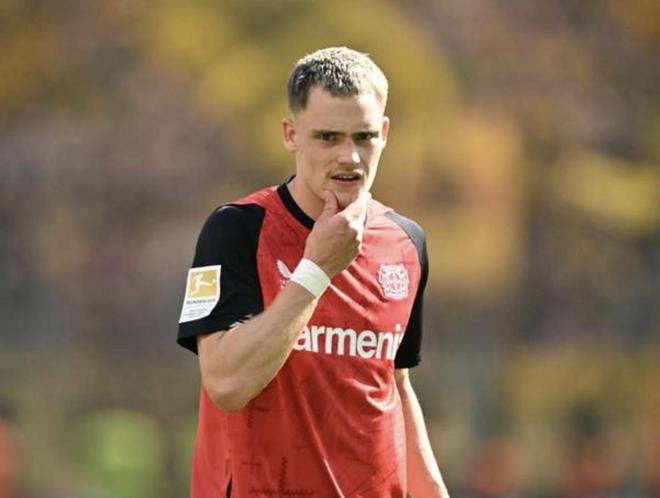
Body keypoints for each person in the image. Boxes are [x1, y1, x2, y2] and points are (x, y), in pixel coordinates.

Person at [177, 47, 449, 498]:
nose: (349, 156)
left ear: (384, 133)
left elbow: (394, 383)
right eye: (327, 137)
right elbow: (227, 383)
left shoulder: (406, 243)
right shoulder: (238, 230)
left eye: (363, 137)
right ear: (291, 134)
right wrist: (317, 270)